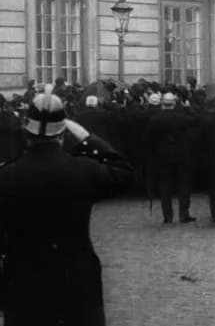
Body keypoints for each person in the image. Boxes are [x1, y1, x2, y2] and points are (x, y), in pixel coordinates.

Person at [0, 86, 133, 326]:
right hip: (77, 281)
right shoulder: (82, 170)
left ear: (26, 132)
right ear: (62, 135)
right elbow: (124, 173)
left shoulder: (6, 176)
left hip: (23, 283)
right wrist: (86, 137)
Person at [145, 92, 197, 223]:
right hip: (181, 155)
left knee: (165, 185)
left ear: (162, 104)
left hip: (162, 156)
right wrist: (187, 108)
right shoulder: (182, 117)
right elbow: (197, 119)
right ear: (174, 103)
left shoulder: (154, 119)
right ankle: (183, 214)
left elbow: (148, 140)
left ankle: (167, 216)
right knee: (183, 184)